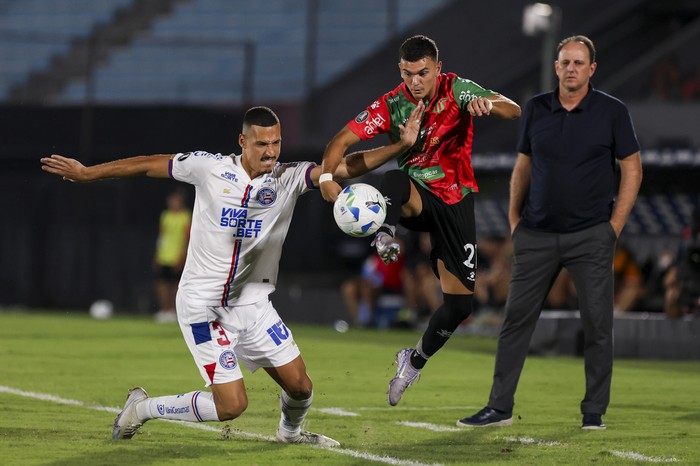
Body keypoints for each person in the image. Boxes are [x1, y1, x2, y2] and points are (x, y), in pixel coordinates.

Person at [40, 105, 423, 446]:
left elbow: (344, 166)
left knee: (301, 387)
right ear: (242, 141)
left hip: (254, 305)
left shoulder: (287, 177)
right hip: (204, 306)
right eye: (262, 144)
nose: (271, 151)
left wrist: (398, 147)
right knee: (232, 405)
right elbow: (148, 163)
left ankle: (290, 435)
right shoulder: (210, 168)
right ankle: (142, 409)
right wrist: (89, 174)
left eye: (276, 142)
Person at [318, 35, 521, 406]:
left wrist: (486, 105)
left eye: (423, 73)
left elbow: (514, 109)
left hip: (457, 200)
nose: (416, 81)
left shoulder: (457, 88)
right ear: (401, 70)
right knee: (394, 177)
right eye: (409, 73)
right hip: (416, 199)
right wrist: (328, 178)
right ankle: (385, 235)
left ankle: (412, 362)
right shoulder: (391, 104)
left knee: (460, 307)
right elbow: (340, 140)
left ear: (437, 69)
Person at [460, 35, 643, 430]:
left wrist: (614, 228)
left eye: (579, 62)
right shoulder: (536, 109)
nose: (571, 68)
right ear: (556, 67)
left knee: (597, 324)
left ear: (592, 69)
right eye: (565, 62)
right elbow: (523, 165)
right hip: (536, 235)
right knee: (515, 323)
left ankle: (593, 411)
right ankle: (499, 407)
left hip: (591, 235)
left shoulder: (613, 111)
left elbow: (632, 167)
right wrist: (514, 219)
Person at [153, 188, 191, 323]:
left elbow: (187, 239)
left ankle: (174, 312)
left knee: (176, 285)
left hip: (177, 255)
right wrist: (157, 254)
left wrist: (183, 256)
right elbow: (162, 236)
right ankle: (164, 310)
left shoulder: (186, 216)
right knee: (162, 284)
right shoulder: (165, 215)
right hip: (164, 255)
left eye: (175, 201)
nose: (173, 203)